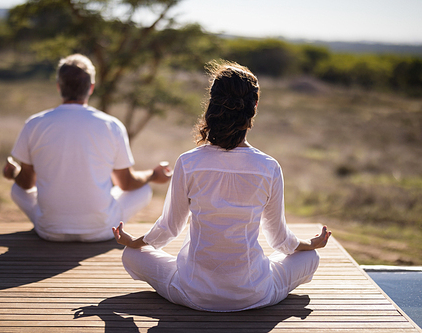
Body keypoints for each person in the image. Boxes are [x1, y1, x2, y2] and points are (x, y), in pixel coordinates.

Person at [112, 61, 332, 312]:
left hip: (192, 292)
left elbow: (168, 229)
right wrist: (310, 244)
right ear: (254, 107)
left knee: (132, 255)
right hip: (254, 293)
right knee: (309, 257)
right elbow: (280, 241)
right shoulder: (268, 167)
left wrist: (133, 242)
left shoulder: (188, 161)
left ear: (212, 104)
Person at [3, 53, 171, 242]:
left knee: (17, 190)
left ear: (59, 87)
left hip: (49, 231)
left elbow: (26, 183)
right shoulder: (111, 125)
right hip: (100, 231)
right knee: (143, 190)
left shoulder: (34, 123)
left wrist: (14, 174)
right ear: (91, 88)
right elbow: (126, 183)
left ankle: (53, 221)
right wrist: (153, 175)